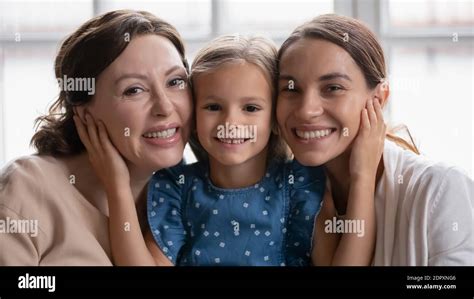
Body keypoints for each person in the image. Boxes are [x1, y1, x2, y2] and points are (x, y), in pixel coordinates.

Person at [76, 34, 385, 266]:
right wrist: (116, 184)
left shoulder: (299, 185)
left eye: (251, 108)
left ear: (275, 118)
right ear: (194, 115)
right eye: (213, 107)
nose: (230, 122)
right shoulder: (177, 188)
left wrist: (363, 175)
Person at [276, 14, 474, 266]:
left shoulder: (441, 189)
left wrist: (363, 176)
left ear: (379, 99)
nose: (306, 110)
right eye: (291, 89)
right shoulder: (284, 194)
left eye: (333, 88)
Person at [0, 10, 192, 265]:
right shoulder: (28, 189)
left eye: (176, 81)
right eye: (134, 90)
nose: (165, 107)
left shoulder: (186, 196)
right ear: (84, 111)